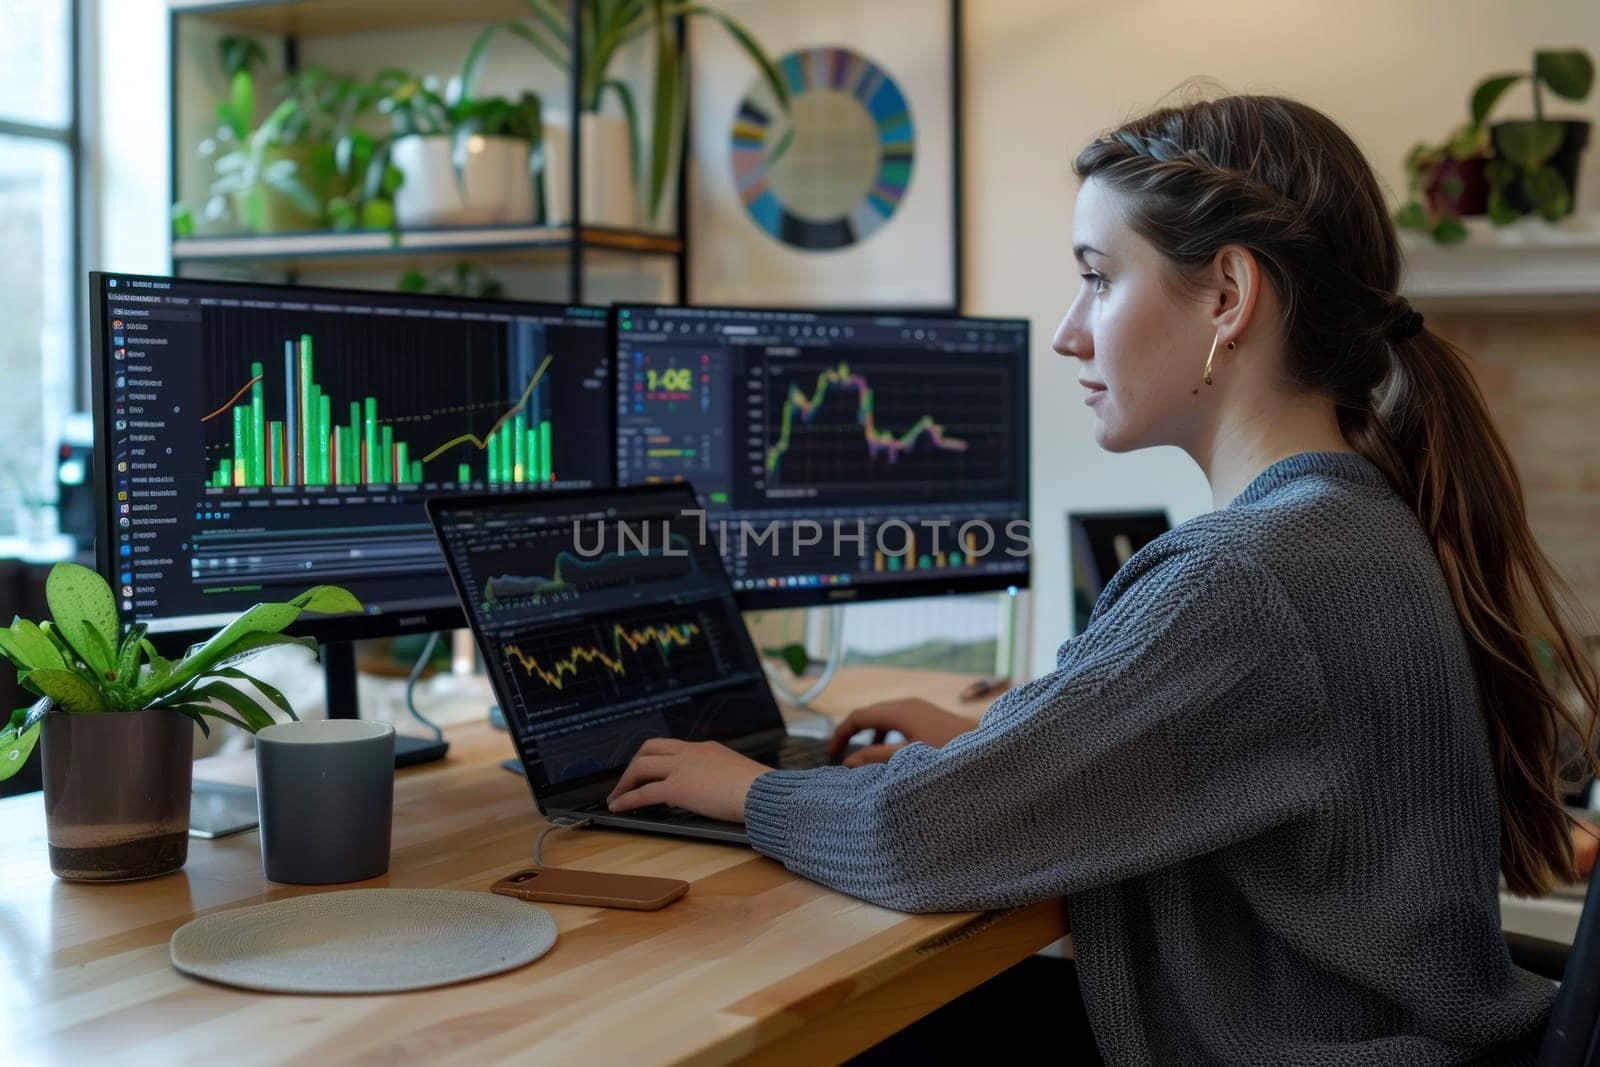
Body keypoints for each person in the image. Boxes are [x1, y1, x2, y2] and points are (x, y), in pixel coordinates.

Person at [606, 93, 1600, 1064]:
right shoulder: (1356, 523)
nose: (1067, 331)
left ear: (1227, 295)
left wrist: (747, 789)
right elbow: (1197, 756)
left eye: (1098, 277)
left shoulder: (1243, 575)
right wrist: (999, 743)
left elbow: (914, 836)